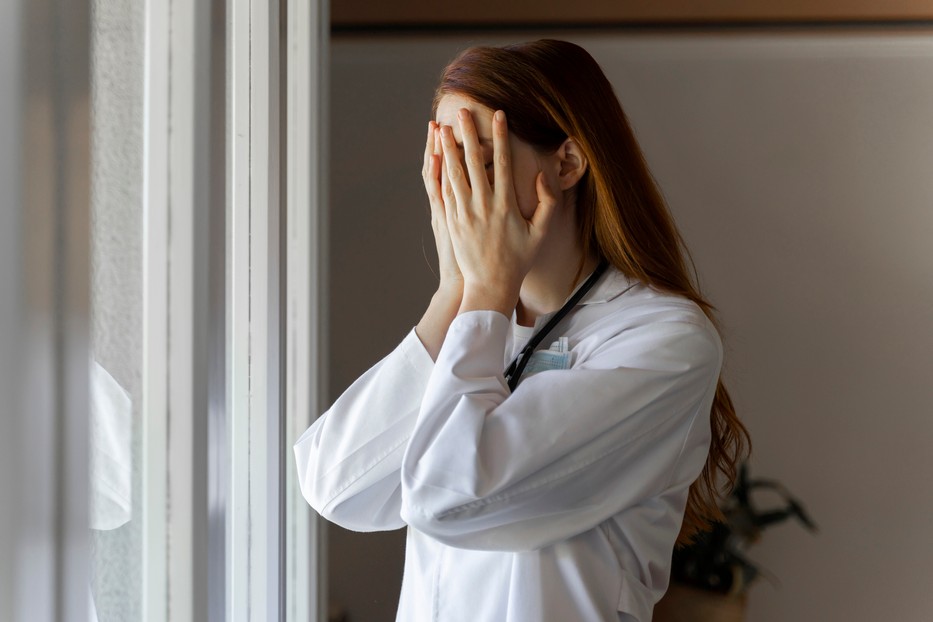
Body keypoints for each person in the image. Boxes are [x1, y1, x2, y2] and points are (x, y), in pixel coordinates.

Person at [295, 39, 750, 622]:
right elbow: (336, 485)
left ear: (565, 164)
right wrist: (455, 294)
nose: (458, 190)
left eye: (478, 160)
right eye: (444, 162)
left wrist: (485, 294)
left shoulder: (663, 339)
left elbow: (450, 497)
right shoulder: (477, 325)